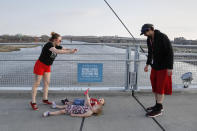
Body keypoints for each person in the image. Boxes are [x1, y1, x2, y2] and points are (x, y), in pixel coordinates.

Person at [30, 32, 78, 111]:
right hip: (40, 65)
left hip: (47, 66)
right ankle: (33, 102)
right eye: (60, 40)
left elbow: (63, 49)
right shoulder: (49, 45)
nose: (60, 42)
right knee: (37, 83)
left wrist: (72, 50)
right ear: (55, 40)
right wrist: (69, 52)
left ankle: (45, 99)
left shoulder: (57, 45)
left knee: (47, 82)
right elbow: (57, 51)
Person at [141, 24, 174, 118]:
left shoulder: (162, 37)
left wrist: (170, 67)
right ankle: (157, 105)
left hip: (164, 67)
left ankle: (159, 110)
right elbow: (150, 53)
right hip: (155, 66)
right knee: (155, 86)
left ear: (151, 29)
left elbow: (170, 52)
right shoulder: (149, 39)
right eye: (143, 33)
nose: (145, 34)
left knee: (160, 87)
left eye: (146, 32)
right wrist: (147, 64)